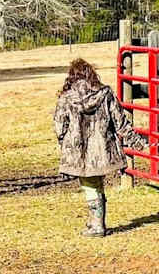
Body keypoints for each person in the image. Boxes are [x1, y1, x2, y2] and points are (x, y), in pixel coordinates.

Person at [52, 58, 142, 237]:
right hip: (103, 150)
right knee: (96, 183)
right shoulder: (105, 93)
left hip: (79, 152)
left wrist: (65, 143)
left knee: (90, 186)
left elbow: (59, 126)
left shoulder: (66, 98)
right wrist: (135, 141)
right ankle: (96, 221)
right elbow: (120, 121)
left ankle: (97, 225)